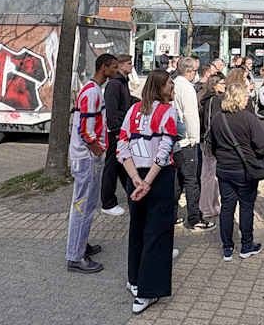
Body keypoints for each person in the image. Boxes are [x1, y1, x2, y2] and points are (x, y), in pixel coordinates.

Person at [118, 70, 180, 314]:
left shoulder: (133, 111)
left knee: (138, 229)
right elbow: (165, 149)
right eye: (169, 83)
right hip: (158, 177)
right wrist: (148, 182)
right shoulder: (168, 111)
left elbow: (122, 144)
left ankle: (134, 279)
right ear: (160, 87)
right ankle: (147, 291)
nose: (172, 86)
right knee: (157, 233)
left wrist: (135, 178)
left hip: (136, 175)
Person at [208, 69, 264, 260]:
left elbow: (211, 144)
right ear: (239, 98)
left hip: (224, 169)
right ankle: (246, 245)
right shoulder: (249, 118)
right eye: (244, 97)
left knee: (227, 207)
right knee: (246, 207)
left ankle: (227, 248)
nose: (246, 101)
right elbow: (262, 146)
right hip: (244, 170)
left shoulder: (217, 118)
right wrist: (256, 155)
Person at [65, 54, 115, 275]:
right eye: (113, 67)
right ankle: (75, 257)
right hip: (87, 158)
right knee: (83, 206)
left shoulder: (93, 90)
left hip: (87, 156)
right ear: (103, 68)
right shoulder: (93, 92)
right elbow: (86, 129)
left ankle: (81, 245)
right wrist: (97, 149)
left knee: (87, 204)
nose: (116, 71)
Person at [173, 56, 215, 231]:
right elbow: (190, 115)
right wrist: (194, 138)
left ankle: (171, 214)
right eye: (195, 71)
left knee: (177, 181)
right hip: (187, 140)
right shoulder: (187, 88)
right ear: (189, 71)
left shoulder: (174, 83)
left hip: (176, 139)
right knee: (191, 180)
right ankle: (193, 218)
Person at [100, 55, 131, 216]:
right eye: (129, 63)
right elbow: (111, 110)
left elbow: (126, 103)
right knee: (112, 166)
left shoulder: (123, 83)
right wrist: (117, 130)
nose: (132, 66)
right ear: (120, 66)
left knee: (121, 165)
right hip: (116, 133)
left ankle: (132, 193)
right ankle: (107, 202)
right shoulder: (114, 84)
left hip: (121, 131)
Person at [197, 73, 225, 222]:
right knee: (208, 175)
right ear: (215, 85)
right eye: (222, 83)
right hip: (209, 142)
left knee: (211, 175)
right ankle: (207, 208)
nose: (225, 86)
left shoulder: (208, 98)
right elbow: (210, 124)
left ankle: (213, 205)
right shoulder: (212, 100)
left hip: (208, 141)